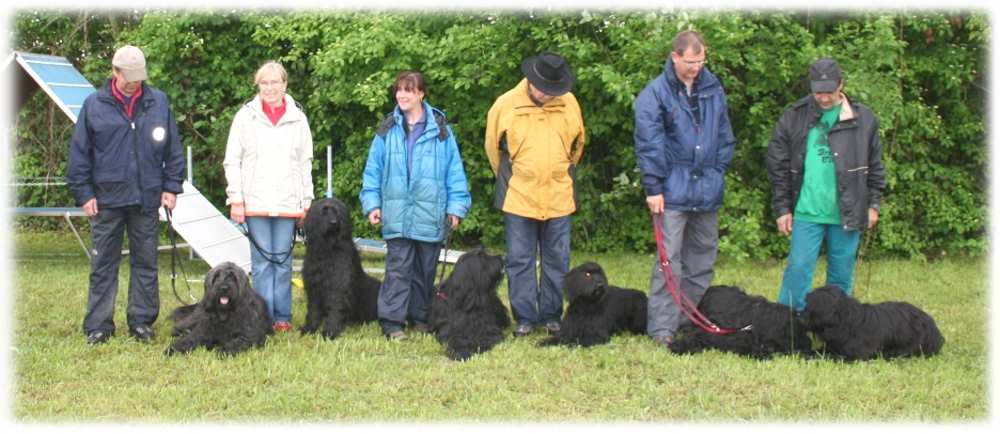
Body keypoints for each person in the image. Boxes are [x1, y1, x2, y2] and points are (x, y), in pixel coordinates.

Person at [67, 45, 186, 345]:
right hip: (106, 199)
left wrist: (171, 186)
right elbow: (80, 155)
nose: (135, 82)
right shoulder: (93, 105)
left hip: (146, 198)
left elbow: (172, 149)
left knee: (146, 262)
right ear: (115, 71)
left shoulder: (158, 102)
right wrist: (84, 193)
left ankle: (142, 322)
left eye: (139, 76)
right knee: (103, 264)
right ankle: (98, 326)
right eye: (129, 76)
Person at [633, 30, 736, 347]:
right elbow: (649, 145)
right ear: (675, 57)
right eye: (691, 62)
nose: (696, 67)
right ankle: (662, 327)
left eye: (701, 61)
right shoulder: (655, 94)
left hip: (708, 189)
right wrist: (653, 188)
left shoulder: (713, 88)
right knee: (669, 261)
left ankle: (689, 321)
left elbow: (724, 133)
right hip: (671, 192)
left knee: (702, 260)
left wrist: (718, 170)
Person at [766, 58, 885, 312]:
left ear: (841, 84)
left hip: (849, 210)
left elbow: (876, 166)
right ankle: (788, 327)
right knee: (798, 270)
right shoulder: (793, 117)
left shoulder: (863, 118)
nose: (824, 98)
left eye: (829, 91)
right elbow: (777, 166)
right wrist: (782, 208)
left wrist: (873, 204)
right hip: (806, 210)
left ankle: (838, 331)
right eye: (818, 92)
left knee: (841, 276)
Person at [361, 71, 471, 341]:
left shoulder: (442, 130)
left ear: (421, 94)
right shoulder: (387, 128)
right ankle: (392, 321)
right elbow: (372, 170)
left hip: (430, 213)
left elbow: (455, 172)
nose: (402, 95)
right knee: (398, 269)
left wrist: (456, 207)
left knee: (425, 271)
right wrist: (372, 203)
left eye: (408, 90)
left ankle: (420, 316)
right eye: (399, 90)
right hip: (397, 213)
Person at [484, 52, 586, 337]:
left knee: (558, 260)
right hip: (519, 197)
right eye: (545, 89)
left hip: (559, 197)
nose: (549, 95)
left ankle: (552, 315)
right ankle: (525, 318)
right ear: (531, 80)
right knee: (520, 260)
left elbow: (578, 145)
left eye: (554, 90)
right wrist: (518, 176)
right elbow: (494, 150)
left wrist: (559, 172)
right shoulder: (504, 105)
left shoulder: (570, 103)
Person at [223, 61, 314, 333]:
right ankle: (261, 317)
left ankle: (282, 317)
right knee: (262, 264)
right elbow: (232, 161)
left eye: (275, 82)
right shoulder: (245, 117)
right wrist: (236, 199)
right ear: (258, 86)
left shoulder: (298, 118)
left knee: (282, 262)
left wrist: (306, 202)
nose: (270, 88)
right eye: (265, 83)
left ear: (284, 85)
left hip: (288, 203)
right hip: (255, 202)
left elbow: (305, 162)